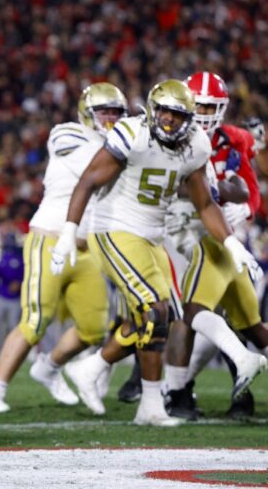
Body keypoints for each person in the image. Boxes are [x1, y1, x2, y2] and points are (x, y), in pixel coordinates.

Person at [52, 79, 260, 426]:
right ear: (151, 109)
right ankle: (107, 374)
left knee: (163, 317)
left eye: (176, 115)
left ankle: (133, 395)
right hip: (115, 227)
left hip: (153, 233)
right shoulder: (131, 133)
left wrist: (232, 244)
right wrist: (68, 232)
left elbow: (205, 202)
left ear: (189, 118)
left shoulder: (195, 145)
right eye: (162, 112)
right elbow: (88, 180)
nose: (167, 121)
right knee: (155, 309)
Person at [0, 83, 126, 413]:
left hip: (89, 250)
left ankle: (48, 367)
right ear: (87, 114)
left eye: (117, 113)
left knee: (94, 329)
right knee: (35, 320)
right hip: (50, 240)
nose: (112, 119)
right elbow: (95, 169)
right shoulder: (68, 134)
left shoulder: (118, 146)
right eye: (105, 112)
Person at [162, 72, 268, 420]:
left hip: (221, 236)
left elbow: (245, 189)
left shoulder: (233, 139)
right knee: (185, 312)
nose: (205, 112)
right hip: (178, 232)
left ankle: (178, 391)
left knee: (229, 319)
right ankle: (165, 387)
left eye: (211, 105)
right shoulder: (169, 137)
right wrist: (216, 191)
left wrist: (244, 205)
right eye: (200, 104)